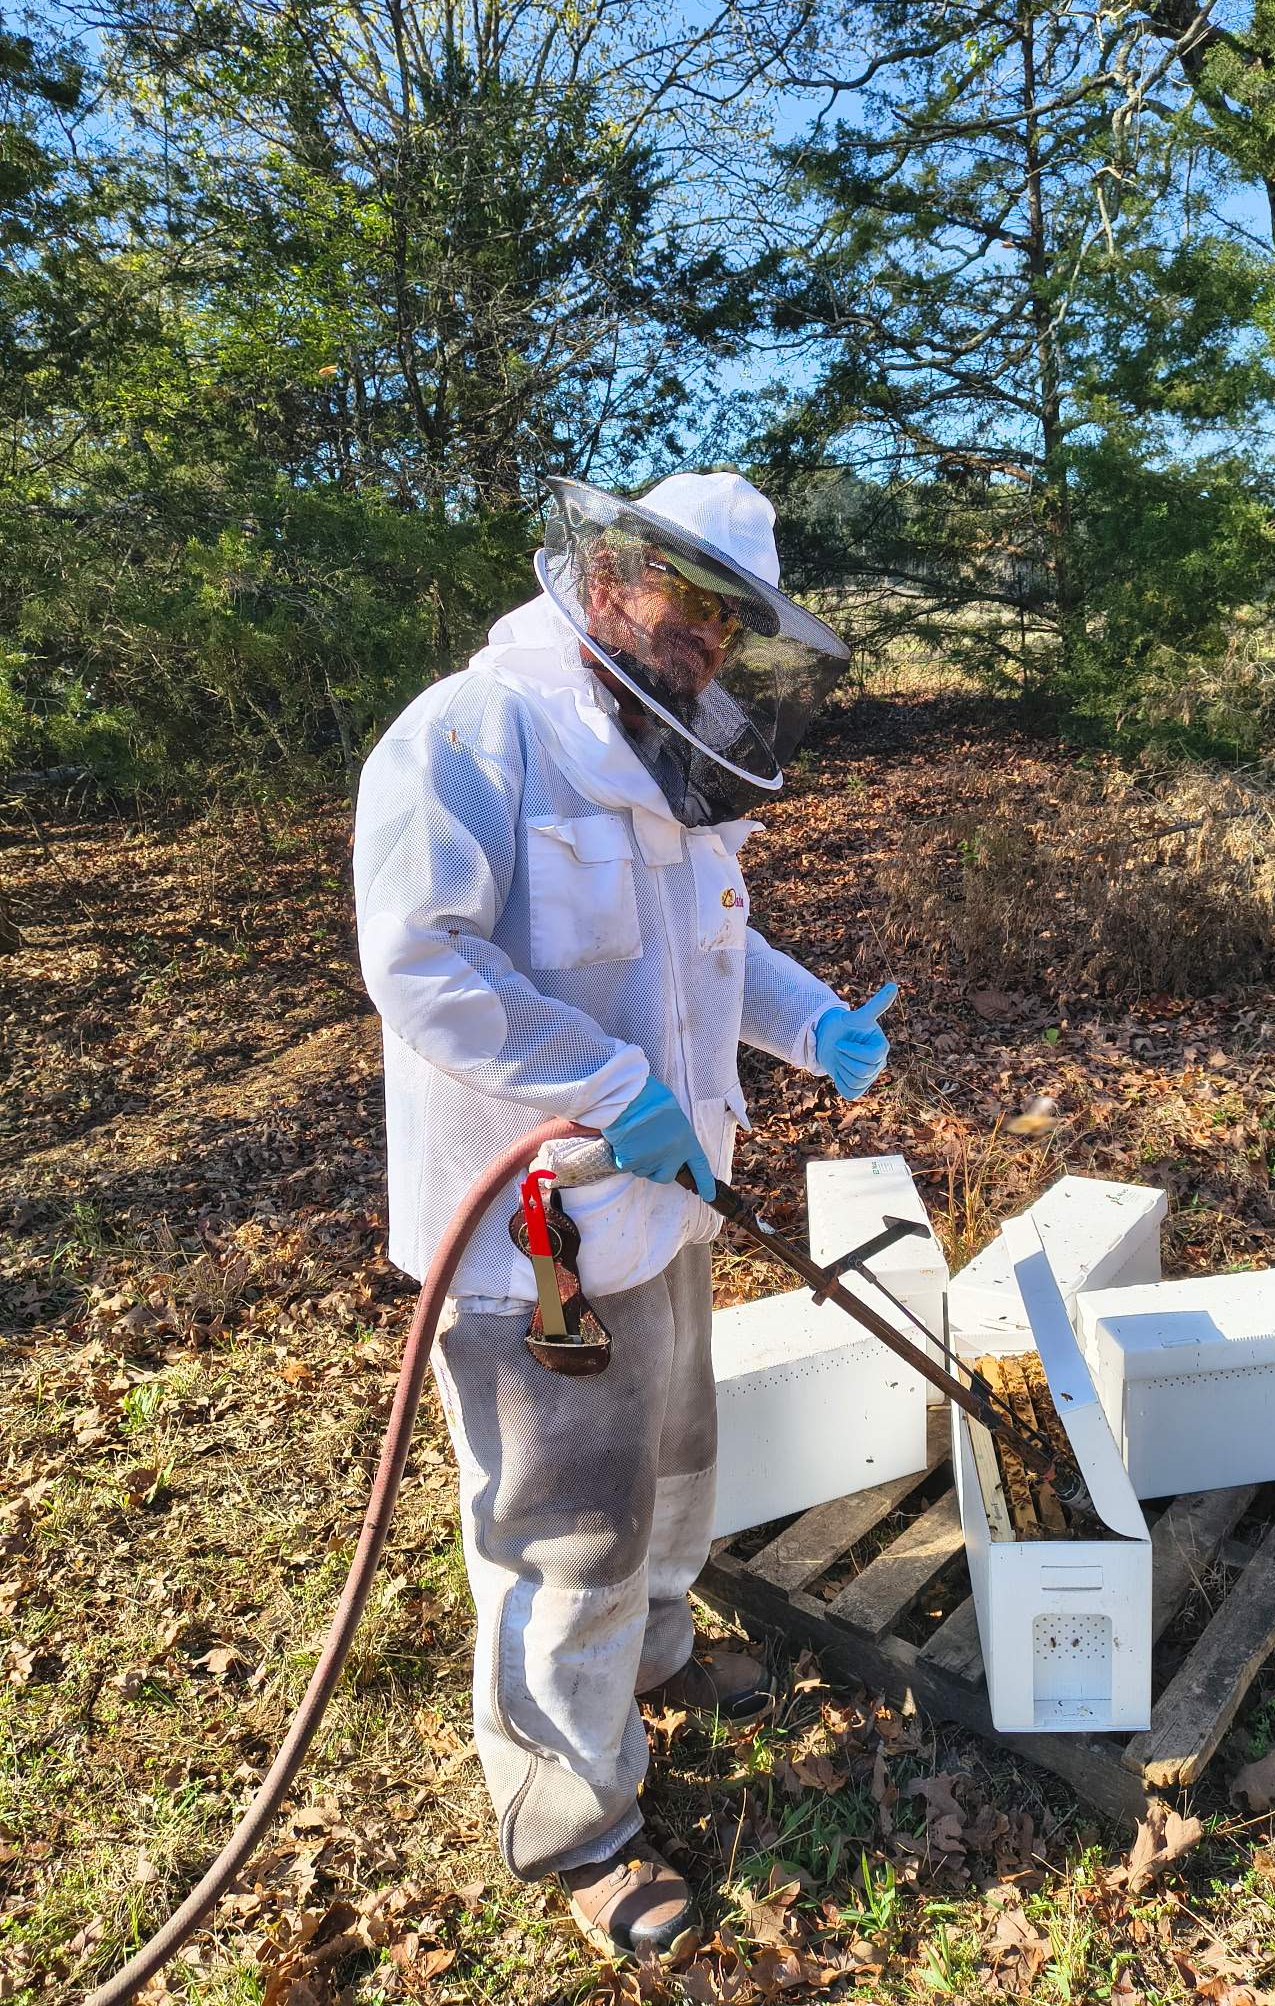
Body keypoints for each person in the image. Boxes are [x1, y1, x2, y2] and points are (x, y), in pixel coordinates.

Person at [352, 471, 898, 1962]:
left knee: (675, 1466)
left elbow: (723, 937)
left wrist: (816, 1026)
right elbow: (425, 963)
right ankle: (574, 1820)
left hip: (668, 1204)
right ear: (606, 579)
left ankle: (657, 1657)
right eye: (692, 606)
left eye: (733, 622)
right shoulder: (472, 735)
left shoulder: (668, 753)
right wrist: (600, 1085)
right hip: (536, 1242)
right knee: (563, 1532)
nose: (710, 642)